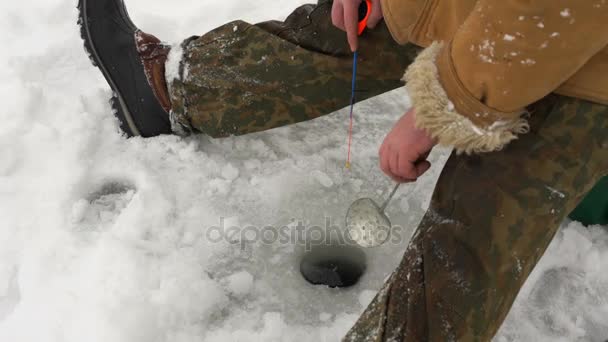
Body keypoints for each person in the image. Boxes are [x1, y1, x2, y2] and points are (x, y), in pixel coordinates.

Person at [78, 0, 608, 340]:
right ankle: (169, 89)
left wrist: (444, 104)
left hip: (576, 48)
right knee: (372, 21)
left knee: (473, 238)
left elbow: (557, 11)